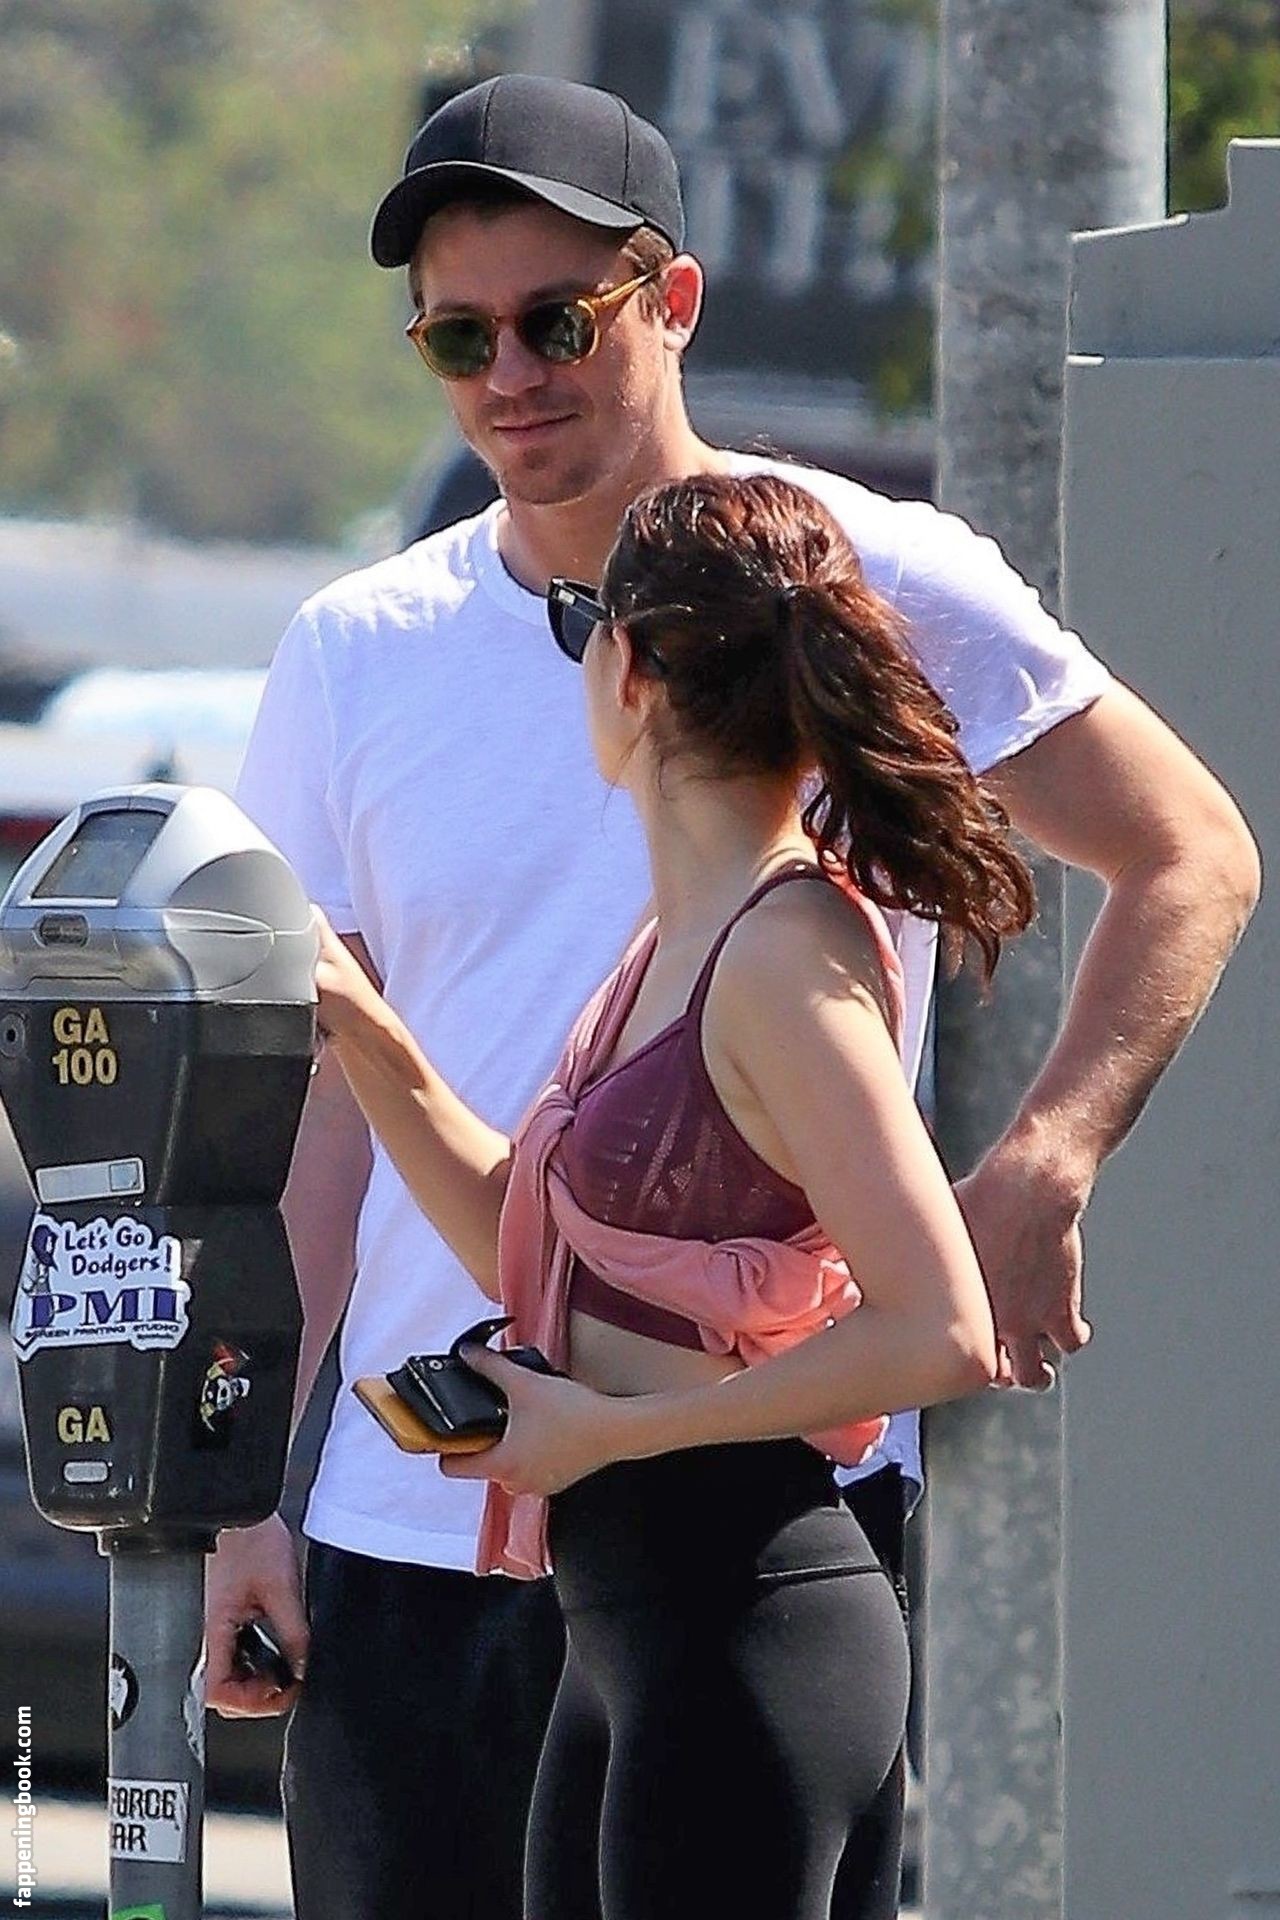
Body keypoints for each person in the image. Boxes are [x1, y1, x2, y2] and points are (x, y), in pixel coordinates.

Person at [207, 72, 1259, 1920]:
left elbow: (1196, 854)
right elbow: (329, 1126)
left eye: (558, 321)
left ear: (672, 301)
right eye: (456, 337)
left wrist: (1042, 1164)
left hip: (747, 1524)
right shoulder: (357, 650)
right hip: (421, 1515)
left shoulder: (864, 582)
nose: (508, 375)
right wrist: (246, 1492)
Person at [309, 467, 1029, 1919]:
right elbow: (533, 1249)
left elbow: (942, 1328)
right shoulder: (676, 940)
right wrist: (365, 1032)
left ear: (629, 668)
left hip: (744, 1622)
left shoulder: (784, 952)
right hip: (629, 1630)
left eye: (582, 625)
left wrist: (616, 1431)